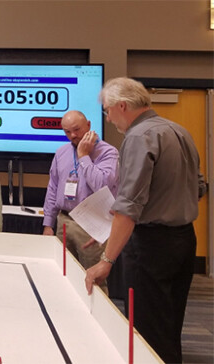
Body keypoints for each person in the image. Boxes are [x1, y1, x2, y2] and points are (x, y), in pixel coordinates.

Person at [85, 77, 207, 363]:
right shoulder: (179, 130)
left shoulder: (139, 137)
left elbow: (130, 206)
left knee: (146, 332)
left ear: (122, 105)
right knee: (169, 325)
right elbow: (199, 187)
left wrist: (107, 259)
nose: (108, 118)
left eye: (107, 110)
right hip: (183, 240)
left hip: (151, 246)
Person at [43, 110, 119, 292]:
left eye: (76, 130)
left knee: (93, 279)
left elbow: (102, 185)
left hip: (91, 224)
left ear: (89, 125)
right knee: (61, 274)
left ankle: (96, 317)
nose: (73, 136)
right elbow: (53, 188)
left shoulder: (108, 153)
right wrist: (48, 224)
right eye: (67, 132)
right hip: (64, 220)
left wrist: (84, 156)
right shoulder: (61, 153)